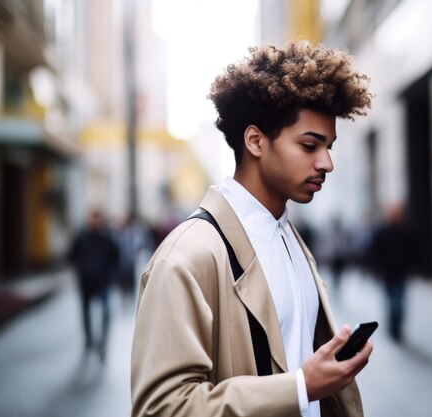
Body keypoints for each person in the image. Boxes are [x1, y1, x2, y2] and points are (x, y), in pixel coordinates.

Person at [131, 41, 373, 417]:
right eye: (310, 145)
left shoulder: (289, 238)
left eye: (329, 147)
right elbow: (162, 408)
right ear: (256, 141)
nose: (327, 163)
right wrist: (299, 387)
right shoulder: (186, 257)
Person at [69, 209, 119, 362]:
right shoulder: (81, 237)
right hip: (86, 282)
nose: (95, 222)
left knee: (105, 311)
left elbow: (115, 257)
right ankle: (89, 340)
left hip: (103, 281)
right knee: (86, 313)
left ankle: (102, 343)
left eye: (97, 218)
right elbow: (71, 256)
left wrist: (111, 275)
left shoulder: (107, 237)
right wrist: (81, 268)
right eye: (93, 218)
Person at [370, 204, 414, 341]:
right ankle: (392, 328)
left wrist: (410, 267)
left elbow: (412, 251)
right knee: (391, 302)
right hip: (387, 274)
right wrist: (377, 269)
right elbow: (374, 252)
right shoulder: (381, 232)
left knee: (399, 303)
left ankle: (397, 328)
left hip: (401, 273)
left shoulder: (406, 231)